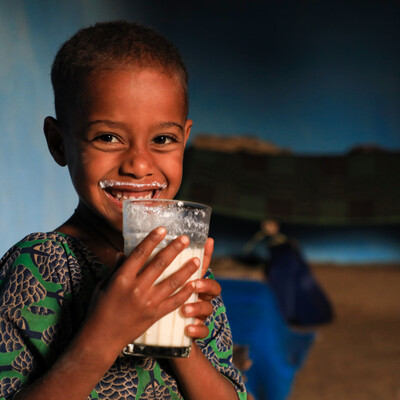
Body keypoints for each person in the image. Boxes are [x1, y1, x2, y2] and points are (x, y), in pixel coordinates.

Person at [0, 21, 246, 400]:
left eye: (163, 139)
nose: (139, 164)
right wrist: (105, 333)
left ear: (185, 139)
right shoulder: (37, 265)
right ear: (59, 143)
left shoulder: (186, 269)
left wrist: (178, 338)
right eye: (107, 137)